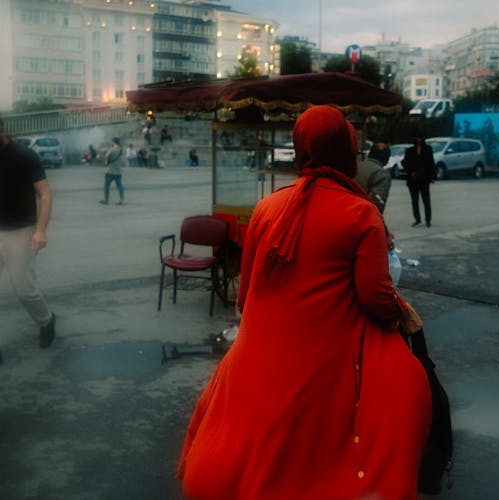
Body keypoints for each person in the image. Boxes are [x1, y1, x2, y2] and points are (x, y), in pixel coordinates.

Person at [176, 106, 430, 499]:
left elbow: (246, 296)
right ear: (346, 151)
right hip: (323, 356)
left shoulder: (267, 207)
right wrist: (401, 309)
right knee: (408, 388)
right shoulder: (361, 212)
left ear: (299, 151)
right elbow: (374, 296)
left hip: (257, 352)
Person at [0, 111, 56, 373]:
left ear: (0, 128)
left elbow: (45, 193)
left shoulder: (24, 157)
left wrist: (40, 230)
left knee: (24, 290)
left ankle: (46, 320)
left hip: (20, 233)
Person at [402, 133, 436, 227]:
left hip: (424, 178)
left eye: (420, 138)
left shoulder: (428, 149)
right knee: (414, 200)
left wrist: (433, 176)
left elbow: (431, 163)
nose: (418, 140)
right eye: (416, 138)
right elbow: (405, 163)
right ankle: (417, 219)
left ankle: (428, 220)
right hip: (413, 179)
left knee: (426, 200)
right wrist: (411, 171)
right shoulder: (409, 150)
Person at [354, 142, 392, 214]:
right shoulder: (381, 174)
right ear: (386, 159)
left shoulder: (356, 166)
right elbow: (376, 205)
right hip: (362, 217)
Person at [100, 137, 125, 206]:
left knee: (107, 186)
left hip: (110, 171)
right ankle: (122, 200)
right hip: (118, 171)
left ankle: (106, 200)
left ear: (113, 142)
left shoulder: (111, 149)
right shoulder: (121, 150)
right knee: (120, 186)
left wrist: (102, 154)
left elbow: (105, 158)